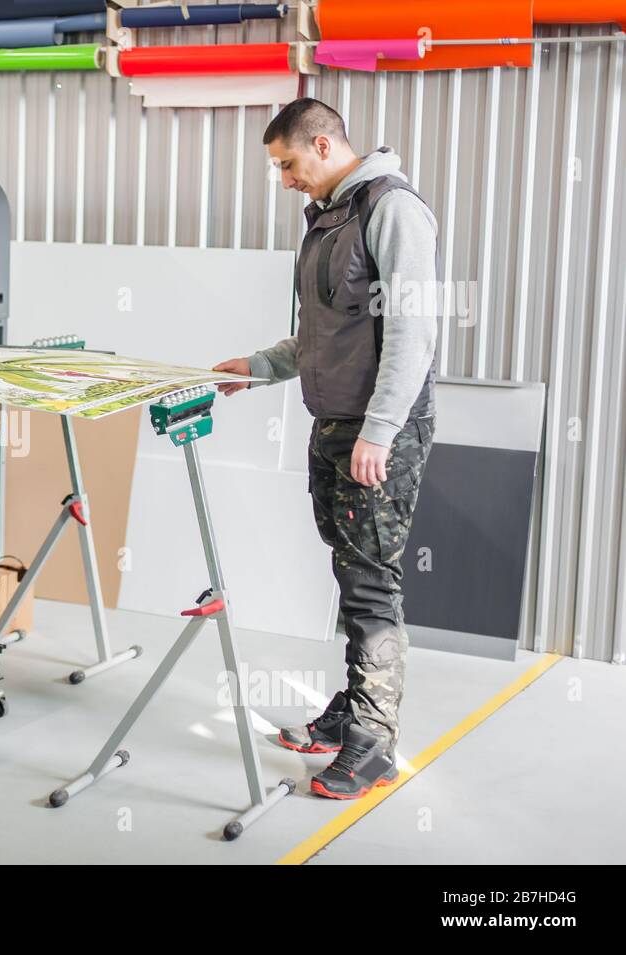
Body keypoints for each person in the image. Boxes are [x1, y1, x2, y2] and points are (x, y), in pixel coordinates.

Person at [214, 98, 438, 800]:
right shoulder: (329, 219)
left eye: (286, 164)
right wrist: (258, 366)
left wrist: (380, 429)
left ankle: (374, 743)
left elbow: (412, 332)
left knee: (373, 585)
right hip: (335, 424)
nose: (283, 179)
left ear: (321, 143)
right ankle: (352, 711)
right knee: (353, 575)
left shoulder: (391, 210)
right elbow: (319, 336)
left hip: (376, 432)